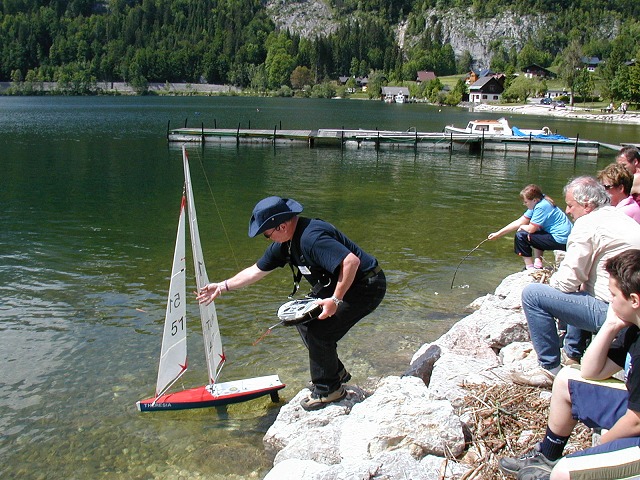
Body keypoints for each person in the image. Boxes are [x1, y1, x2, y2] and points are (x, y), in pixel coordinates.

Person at [196, 196, 386, 411]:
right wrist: (222, 286)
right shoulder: (286, 243)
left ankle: (329, 390)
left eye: (267, 234)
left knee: (320, 331)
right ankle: (335, 372)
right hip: (338, 284)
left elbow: (351, 261)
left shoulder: (311, 238)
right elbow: (256, 270)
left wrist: (335, 300)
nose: (267, 239)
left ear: (282, 226)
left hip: (366, 285)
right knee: (303, 319)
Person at [499, 249, 640, 480]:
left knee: (564, 473)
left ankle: (557, 469)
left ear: (634, 300)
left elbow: (635, 422)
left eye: (614, 295)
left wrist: (601, 445)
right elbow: (590, 370)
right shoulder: (633, 328)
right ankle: (548, 456)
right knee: (567, 379)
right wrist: (610, 326)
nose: (610, 301)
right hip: (636, 413)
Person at [512, 176, 640, 387]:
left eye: (571, 205)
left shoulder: (587, 224)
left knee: (533, 295)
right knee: (583, 288)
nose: (568, 211)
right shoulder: (621, 217)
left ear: (587, 206)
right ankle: (573, 353)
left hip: (619, 313)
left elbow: (567, 281)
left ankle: (549, 368)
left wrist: (551, 284)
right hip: (632, 305)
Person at [488, 184, 572, 270]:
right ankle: (538, 263)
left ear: (534, 200)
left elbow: (531, 229)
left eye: (526, 202)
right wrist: (498, 234)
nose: (524, 204)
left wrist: (523, 227)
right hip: (565, 238)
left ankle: (529, 268)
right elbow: (519, 222)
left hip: (561, 240)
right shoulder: (540, 202)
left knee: (521, 235)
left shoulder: (541, 207)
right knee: (536, 231)